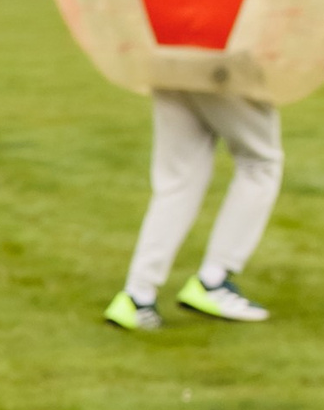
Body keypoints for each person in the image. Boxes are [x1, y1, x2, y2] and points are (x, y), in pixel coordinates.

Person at [103, 88, 279, 329]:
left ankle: (137, 296)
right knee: (260, 164)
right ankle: (213, 280)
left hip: (168, 59)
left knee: (179, 179)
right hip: (222, 63)